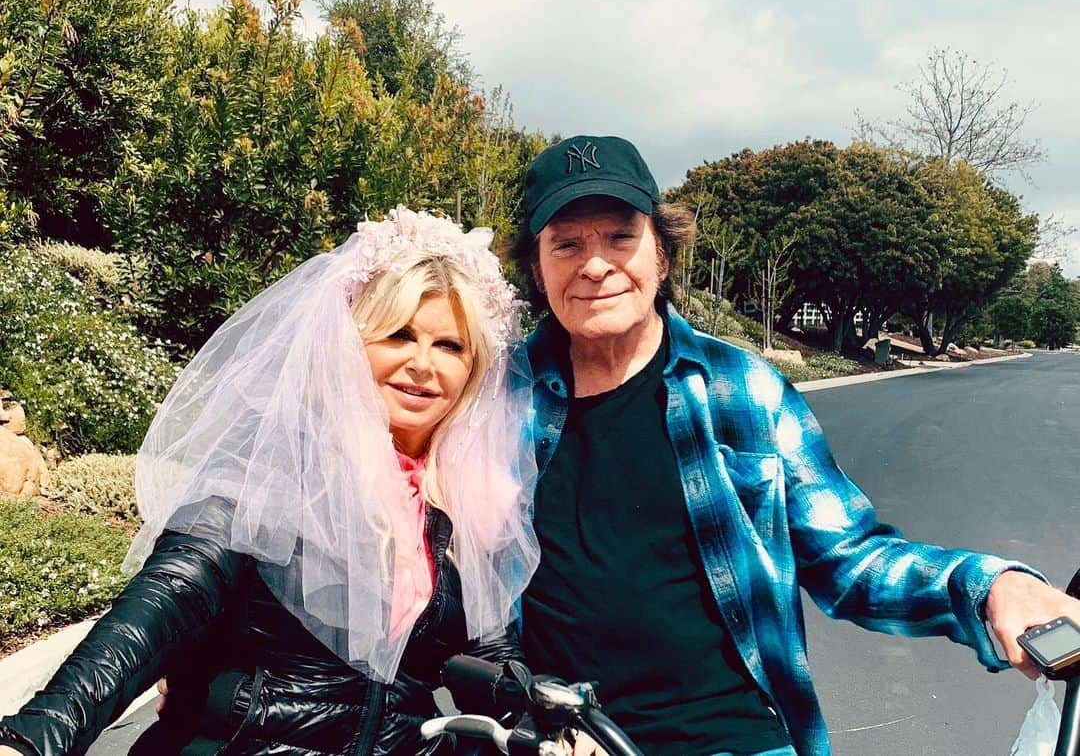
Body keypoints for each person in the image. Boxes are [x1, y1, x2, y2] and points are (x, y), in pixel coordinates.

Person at [511, 135, 1080, 756]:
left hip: (732, 737)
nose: (595, 265)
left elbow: (850, 560)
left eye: (620, 238)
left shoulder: (741, 388)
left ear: (662, 255)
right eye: (567, 244)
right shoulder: (497, 400)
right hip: (558, 740)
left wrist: (988, 586)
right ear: (538, 269)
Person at [0, 207, 541, 756]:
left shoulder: (460, 494)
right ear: (353, 342)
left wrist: (547, 721)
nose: (423, 364)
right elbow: (173, 592)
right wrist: (45, 730)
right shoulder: (281, 464)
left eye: (449, 346)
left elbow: (491, 648)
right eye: (399, 335)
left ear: (473, 368)